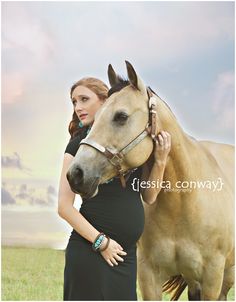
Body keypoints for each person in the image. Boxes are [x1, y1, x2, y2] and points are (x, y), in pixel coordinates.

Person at [58, 77, 171, 301]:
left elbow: (148, 196)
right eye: (74, 102)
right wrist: (102, 243)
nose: (78, 107)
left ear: (106, 101)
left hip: (125, 255)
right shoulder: (77, 146)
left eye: (84, 99)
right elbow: (64, 206)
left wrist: (160, 161)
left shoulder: (129, 145)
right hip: (91, 250)